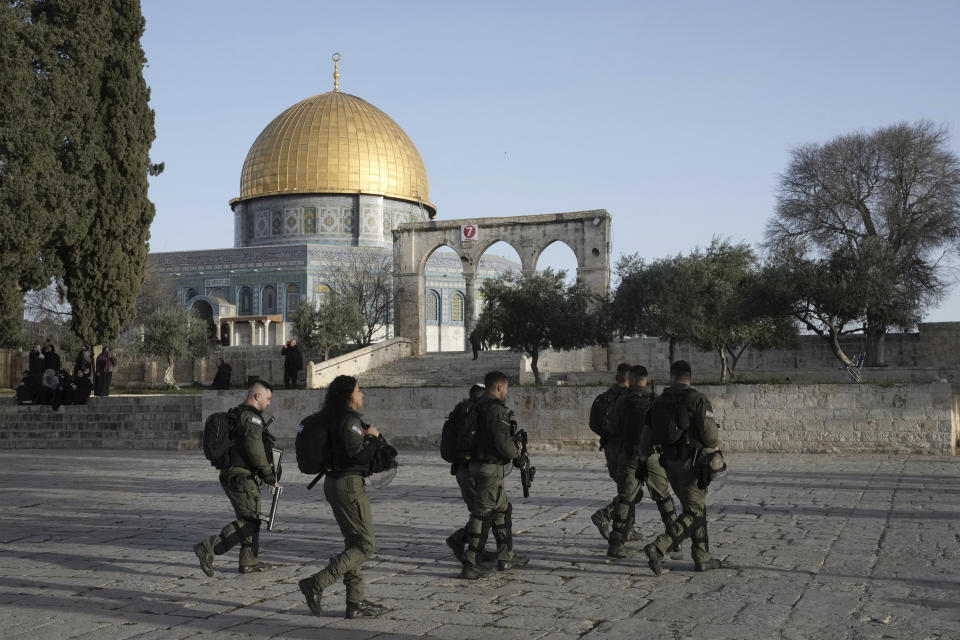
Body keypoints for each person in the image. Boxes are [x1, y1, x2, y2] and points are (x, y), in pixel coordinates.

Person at [298, 375, 392, 620]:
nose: (362, 395)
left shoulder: (333, 418)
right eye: (359, 391)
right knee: (366, 544)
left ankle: (355, 602)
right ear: (348, 395)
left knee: (354, 543)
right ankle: (317, 582)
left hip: (337, 483)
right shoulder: (349, 420)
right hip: (348, 485)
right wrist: (371, 437)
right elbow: (357, 455)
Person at [643, 360, 722, 575]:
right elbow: (710, 436)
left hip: (668, 463)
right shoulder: (697, 399)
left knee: (694, 508)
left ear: (672, 376)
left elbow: (647, 435)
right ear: (690, 376)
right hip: (692, 463)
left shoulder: (659, 401)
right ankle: (659, 546)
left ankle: (702, 557)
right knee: (695, 511)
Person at [194, 380, 278, 576]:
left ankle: (249, 561)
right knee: (249, 522)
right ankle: (208, 547)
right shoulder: (251, 419)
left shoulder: (239, 414)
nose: (269, 403)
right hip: (241, 476)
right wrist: (267, 473)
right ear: (257, 396)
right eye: (268, 398)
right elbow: (254, 448)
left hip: (235, 475)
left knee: (251, 517)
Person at [459, 370, 528, 579]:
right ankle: (471, 563)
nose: (506, 391)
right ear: (499, 387)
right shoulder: (496, 410)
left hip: (475, 464)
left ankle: (506, 556)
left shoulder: (476, 406)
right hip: (489, 467)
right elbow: (503, 444)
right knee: (482, 513)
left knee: (503, 509)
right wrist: (517, 451)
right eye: (506, 387)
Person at [607, 365, 679, 557]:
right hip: (653, 455)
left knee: (625, 498)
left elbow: (612, 427)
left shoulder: (622, 400)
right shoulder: (656, 400)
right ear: (645, 380)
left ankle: (616, 543)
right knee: (663, 497)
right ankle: (674, 537)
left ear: (631, 379)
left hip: (630, 454)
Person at [445, 384, 497, 564]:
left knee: (481, 512)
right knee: (483, 512)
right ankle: (459, 540)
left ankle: (476, 549)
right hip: (472, 470)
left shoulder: (460, 411)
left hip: (462, 469)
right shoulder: (476, 414)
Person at [590, 363, 634, 541]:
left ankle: (627, 527)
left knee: (624, 487)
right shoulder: (630, 398)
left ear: (617, 377)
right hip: (626, 449)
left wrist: (607, 436)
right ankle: (608, 518)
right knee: (630, 490)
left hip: (610, 448)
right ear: (631, 378)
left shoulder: (605, 397)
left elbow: (593, 424)